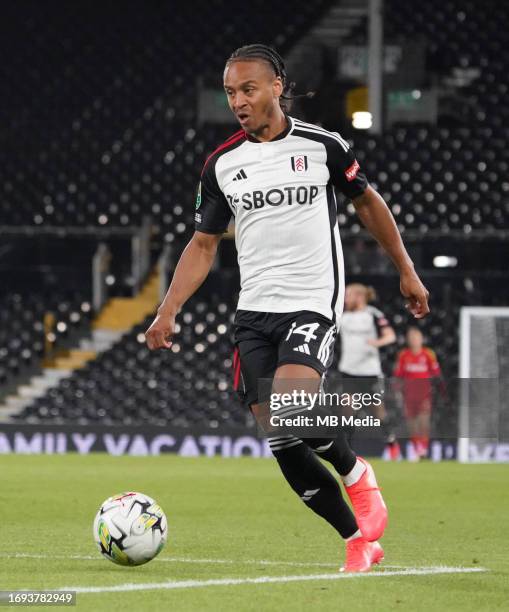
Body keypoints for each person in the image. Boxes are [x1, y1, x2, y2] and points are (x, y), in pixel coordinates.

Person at [145, 44, 430, 572]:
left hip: (310, 301)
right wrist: (168, 309)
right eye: (231, 92)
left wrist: (406, 270)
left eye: (248, 89)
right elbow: (203, 243)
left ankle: (354, 471)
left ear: (277, 85)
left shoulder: (324, 147)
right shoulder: (222, 164)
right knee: (280, 436)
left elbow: (368, 203)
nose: (238, 101)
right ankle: (356, 540)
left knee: (292, 408)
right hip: (253, 312)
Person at [338, 283, 400, 460]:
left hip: (369, 372)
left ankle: (392, 443)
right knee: (348, 412)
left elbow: (390, 335)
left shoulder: (373, 314)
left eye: (348, 295)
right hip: (349, 371)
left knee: (379, 413)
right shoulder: (343, 316)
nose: (345, 299)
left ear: (359, 296)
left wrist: (377, 343)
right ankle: (347, 455)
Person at [394, 327, 442, 460]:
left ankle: (424, 449)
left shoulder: (428, 354)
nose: (414, 340)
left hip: (424, 394)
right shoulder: (404, 355)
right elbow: (398, 375)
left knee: (424, 422)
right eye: (412, 338)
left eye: (417, 337)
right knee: (412, 424)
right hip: (409, 395)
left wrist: (439, 390)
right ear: (408, 340)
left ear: (421, 339)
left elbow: (436, 374)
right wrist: (397, 390)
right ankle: (417, 450)